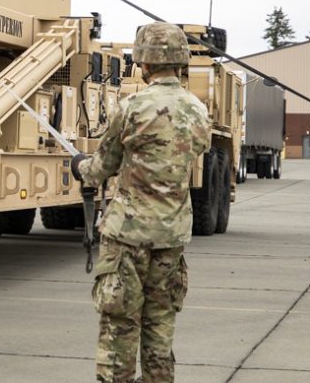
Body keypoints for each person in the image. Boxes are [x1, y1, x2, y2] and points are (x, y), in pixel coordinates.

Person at [71, 22, 210, 383]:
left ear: (144, 64)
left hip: (127, 240)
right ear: (180, 63)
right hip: (171, 239)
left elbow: (102, 167)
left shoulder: (132, 106)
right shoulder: (198, 111)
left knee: (119, 330)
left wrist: (79, 167)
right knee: (160, 331)